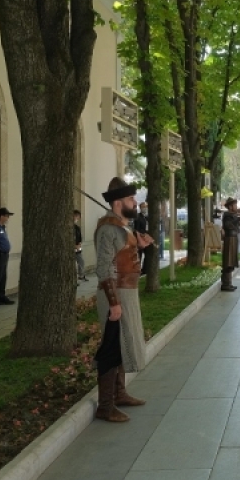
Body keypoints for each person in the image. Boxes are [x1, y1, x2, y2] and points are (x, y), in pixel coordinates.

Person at [93, 177, 151, 423]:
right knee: (111, 347)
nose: (134, 202)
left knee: (121, 343)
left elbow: (126, 261)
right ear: (118, 203)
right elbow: (104, 269)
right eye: (130, 199)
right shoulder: (108, 229)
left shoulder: (124, 227)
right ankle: (105, 406)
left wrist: (141, 247)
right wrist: (114, 302)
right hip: (115, 294)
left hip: (126, 292)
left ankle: (120, 393)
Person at [221, 198, 240, 291]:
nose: (236, 207)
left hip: (234, 238)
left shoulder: (233, 215)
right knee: (228, 261)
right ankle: (225, 284)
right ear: (230, 206)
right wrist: (238, 219)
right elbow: (228, 225)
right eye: (234, 205)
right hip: (229, 239)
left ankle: (229, 283)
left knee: (232, 261)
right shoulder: (227, 215)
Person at [74, 209, 88, 282]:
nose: (77, 219)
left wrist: (79, 244)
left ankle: (81, 275)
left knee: (81, 261)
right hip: (72, 248)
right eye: (76, 216)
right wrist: (73, 245)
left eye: (78, 217)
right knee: (74, 266)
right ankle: (74, 279)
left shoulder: (77, 228)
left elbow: (80, 238)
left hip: (77, 249)